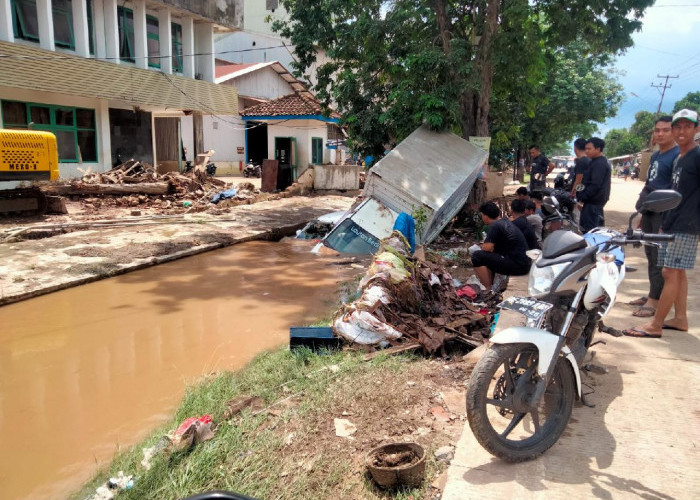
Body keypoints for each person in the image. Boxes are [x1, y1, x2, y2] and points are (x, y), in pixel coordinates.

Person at [626, 108, 700, 338]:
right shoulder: (680, 157)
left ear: (696, 129)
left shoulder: (697, 155)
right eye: (678, 126)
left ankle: (655, 324)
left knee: (669, 272)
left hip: (687, 223)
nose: (681, 131)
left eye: (687, 126)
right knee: (677, 274)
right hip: (672, 221)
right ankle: (680, 319)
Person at [629, 116, 680, 318]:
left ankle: (654, 301)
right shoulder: (658, 155)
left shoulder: (677, 156)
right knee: (650, 256)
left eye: (665, 130)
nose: (660, 134)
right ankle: (652, 293)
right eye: (657, 130)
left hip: (664, 215)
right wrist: (644, 211)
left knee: (660, 259)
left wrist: (666, 221)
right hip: (650, 212)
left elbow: (675, 192)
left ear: (674, 131)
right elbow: (651, 184)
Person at [471, 201, 531, 290]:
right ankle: (491, 284)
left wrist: (483, 246)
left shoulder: (495, 225)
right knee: (490, 255)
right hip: (524, 264)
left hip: (517, 266)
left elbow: (486, 248)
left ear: (485, 216)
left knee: (477, 256)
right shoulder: (504, 222)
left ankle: (487, 288)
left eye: (482, 215)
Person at [578, 137, 611, 232]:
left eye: (589, 149)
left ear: (598, 149)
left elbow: (595, 185)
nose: (587, 151)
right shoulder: (594, 161)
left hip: (593, 204)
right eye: (586, 149)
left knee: (591, 232)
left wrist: (583, 198)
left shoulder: (600, 163)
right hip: (591, 203)